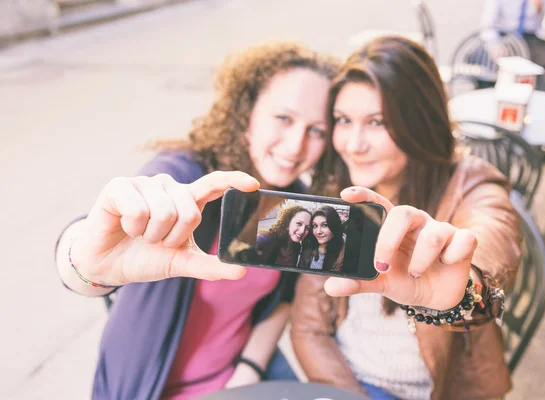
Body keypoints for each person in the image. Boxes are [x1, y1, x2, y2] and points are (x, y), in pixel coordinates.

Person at [54, 41, 339, 400]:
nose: (297, 145)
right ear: (247, 115)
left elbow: (283, 299)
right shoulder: (186, 175)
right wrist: (85, 264)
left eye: (317, 130)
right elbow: (91, 245)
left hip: (238, 380)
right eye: (283, 118)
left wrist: (247, 371)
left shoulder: (295, 200)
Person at [291, 35, 522, 400]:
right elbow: (309, 329)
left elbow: (492, 237)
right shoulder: (339, 192)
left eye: (377, 122)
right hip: (350, 381)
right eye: (343, 120)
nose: (353, 144)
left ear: (418, 122)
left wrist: (462, 286)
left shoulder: (471, 183)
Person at [298, 206, 345, 271]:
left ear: (334, 226)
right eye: (315, 226)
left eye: (324, 225)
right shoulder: (308, 247)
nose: (318, 232)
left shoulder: (343, 254)